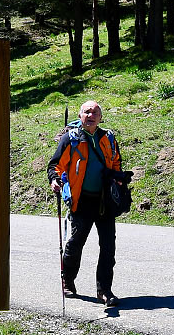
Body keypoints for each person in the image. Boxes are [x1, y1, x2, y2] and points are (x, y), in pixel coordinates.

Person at [46, 99, 123, 306]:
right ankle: (68, 281)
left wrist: (118, 178)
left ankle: (104, 290)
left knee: (108, 247)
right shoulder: (71, 138)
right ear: (80, 116)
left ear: (100, 117)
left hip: (105, 201)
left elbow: (116, 161)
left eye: (95, 112)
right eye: (87, 112)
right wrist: (55, 179)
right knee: (76, 243)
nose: (90, 116)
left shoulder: (108, 138)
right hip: (81, 200)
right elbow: (56, 165)